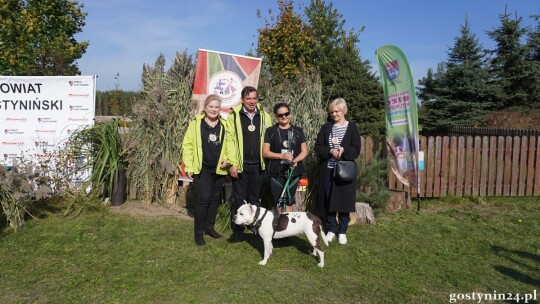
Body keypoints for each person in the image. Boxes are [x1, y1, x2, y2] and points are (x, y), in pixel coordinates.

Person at [224, 86, 272, 242]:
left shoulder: (265, 116)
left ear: (257, 99)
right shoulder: (234, 116)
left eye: (254, 98)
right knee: (239, 199)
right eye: (248, 98)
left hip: (258, 165)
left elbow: (269, 140)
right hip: (241, 165)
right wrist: (233, 163)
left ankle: (255, 228)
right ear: (242, 100)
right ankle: (238, 231)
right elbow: (230, 140)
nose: (251, 101)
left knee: (255, 198)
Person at [182, 94, 228, 246]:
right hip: (202, 169)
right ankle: (198, 233)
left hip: (219, 169)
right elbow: (187, 145)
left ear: (219, 109)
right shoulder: (196, 124)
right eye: (211, 106)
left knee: (215, 198)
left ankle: (210, 228)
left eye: (216, 107)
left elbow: (230, 144)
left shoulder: (224, 125)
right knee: (203, 199)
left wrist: (227, 158)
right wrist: (188, 166)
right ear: (205, 107)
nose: (214, 109)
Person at [315, 98, 360, 245]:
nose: (334, 114)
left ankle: (342, 231)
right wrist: (330, 150)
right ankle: (331, 229)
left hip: (344, 173)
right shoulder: (326, 128)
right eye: (332, 112)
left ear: (344, 111)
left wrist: (344, 150)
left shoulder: (352, 128)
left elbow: (356, 149)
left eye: (337, 111)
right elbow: (318, 147)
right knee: (329, 201)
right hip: (328, 171)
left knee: (344, 202)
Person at [262, 102, 308, 213]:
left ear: (290, 114)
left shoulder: (298, 131)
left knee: (289, 200)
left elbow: (304, 151)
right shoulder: (270, 131)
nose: (284, 117)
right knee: (277, 199)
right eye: (280, 115)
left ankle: (287, 227)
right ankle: (277, 226)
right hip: (276, 170)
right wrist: (281, 156)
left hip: (293, 170)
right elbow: (265, 153)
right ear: (276, 116)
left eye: (286, 114)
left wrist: (295, 160)